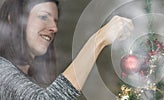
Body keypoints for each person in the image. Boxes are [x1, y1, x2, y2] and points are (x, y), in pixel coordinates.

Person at [0, 0, 133, 99]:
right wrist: (98, 39)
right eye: (43, 17)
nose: (54, 28)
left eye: (55, 21)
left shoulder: (34, 79)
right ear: (13, 19)